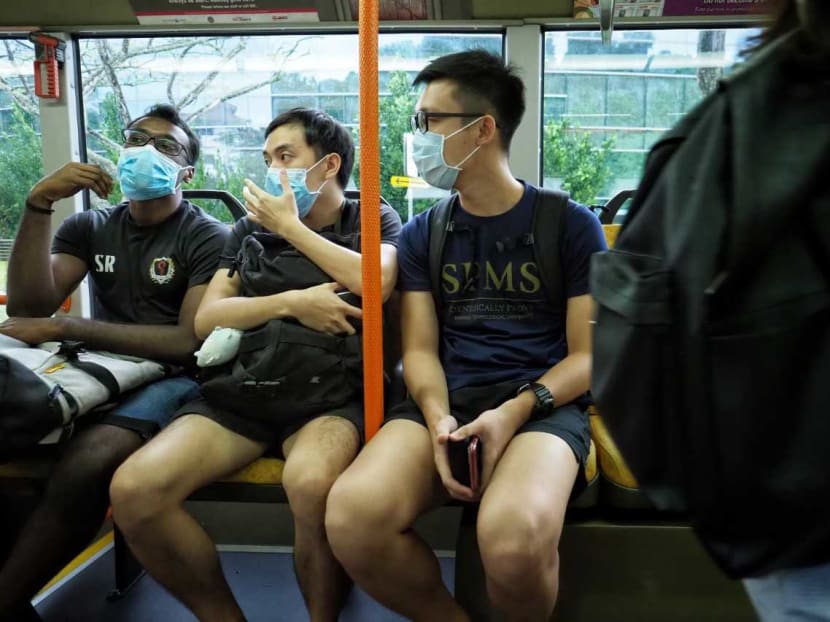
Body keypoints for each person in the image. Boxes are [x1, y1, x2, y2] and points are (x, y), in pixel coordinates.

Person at [325, 50, 607, 621]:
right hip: (447, 400)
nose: (419, 134)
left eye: (430, 120)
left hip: (543, 402)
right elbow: (422, 350)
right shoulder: (426, 233)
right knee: (352, 518)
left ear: (483, 129)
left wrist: (515, 411)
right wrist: (437, 420)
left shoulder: (569, 224)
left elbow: (589, 356)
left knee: (513, 537)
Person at [109, 108, 402, 622]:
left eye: (285, 157)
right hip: (244, 390)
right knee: (135, 491)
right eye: (268, 158)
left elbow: (374, 282)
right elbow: (208, 317)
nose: (272, 170)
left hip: (331, 394)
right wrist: (291, 303)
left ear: (328, 164)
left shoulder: (373, 217)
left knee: (311, 486)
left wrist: (291, 227)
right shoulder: (247, 229)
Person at [0, 104, 228, 622]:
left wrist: (67, 328)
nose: (145, 151)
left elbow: (186, 343)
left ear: (186, 173)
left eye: (165, 146)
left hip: (175, 376)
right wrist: (38, 205)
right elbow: (29, 306)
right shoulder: (90, 225)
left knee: (90, 460)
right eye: (135, 139)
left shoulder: (205, 235)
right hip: (97, 366)